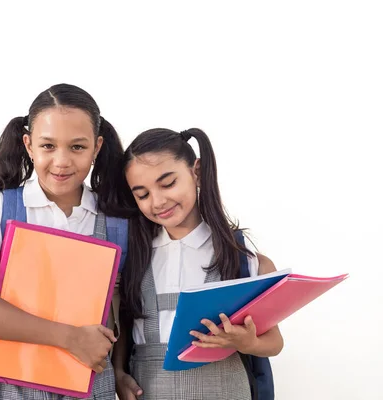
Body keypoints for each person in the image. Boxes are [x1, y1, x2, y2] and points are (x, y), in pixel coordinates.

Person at [0, 83, 127, 400]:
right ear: (28, 145)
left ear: (97, 147)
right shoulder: (1, 209)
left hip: (88, 384)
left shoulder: (115, 222)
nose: (62, 161)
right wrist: (70, 337)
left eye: (77, 147)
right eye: (48, 146)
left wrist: (119, 370)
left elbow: (125, 311)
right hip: (4, 385)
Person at [113, 128, 284, 400]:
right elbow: (125, 324)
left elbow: (274, 343)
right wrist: (119, 373)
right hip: (149, 390)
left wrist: (247, 342)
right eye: (142, 194)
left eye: (168, 183)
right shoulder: (134, 257)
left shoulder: (243, 258)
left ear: (197, 172)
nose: (157, 201)